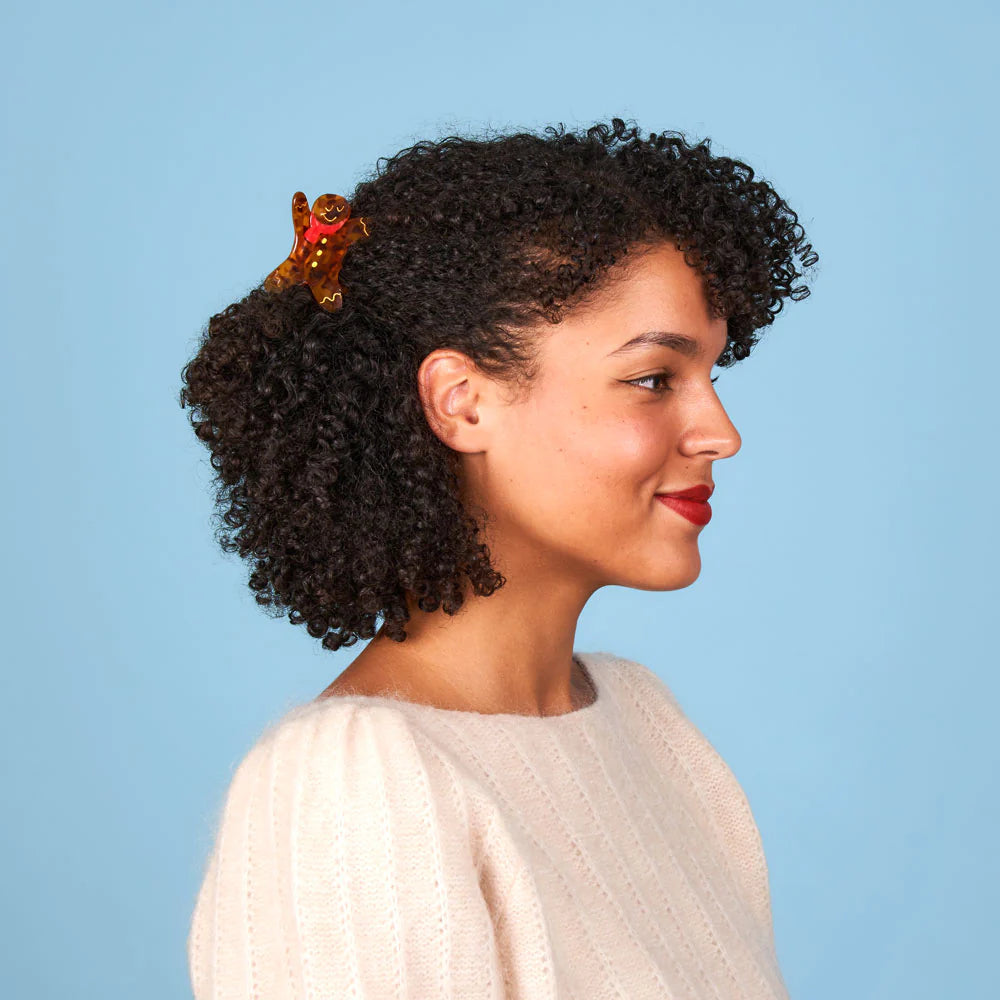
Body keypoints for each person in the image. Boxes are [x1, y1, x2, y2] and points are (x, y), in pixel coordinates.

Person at [179, 116, 818, 999]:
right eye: (652, 380)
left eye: (712, 374)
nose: (721, 432)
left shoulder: (646, 726)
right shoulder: (352, 781)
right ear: (462, 402)